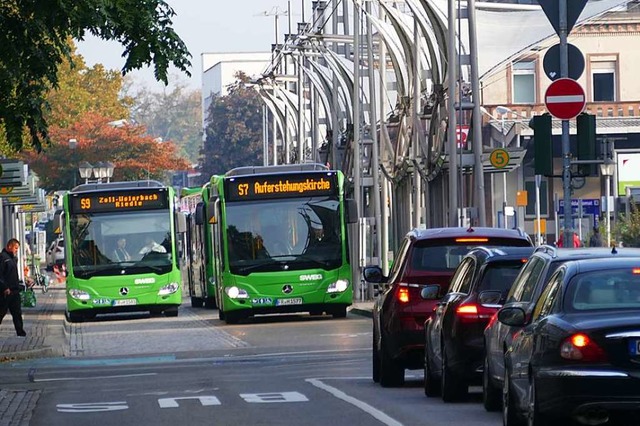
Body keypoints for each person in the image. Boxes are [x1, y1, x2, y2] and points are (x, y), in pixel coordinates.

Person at [0, 238, 28, 337]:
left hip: (15, 291)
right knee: (1, 312)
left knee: (17, 313)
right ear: (9, 246)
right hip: (5, 292)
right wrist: (4, 288)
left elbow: (13, 275)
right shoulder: (3, 258)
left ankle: (20, 331)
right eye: (15, 248)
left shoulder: (13, 258)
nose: (16, 250)